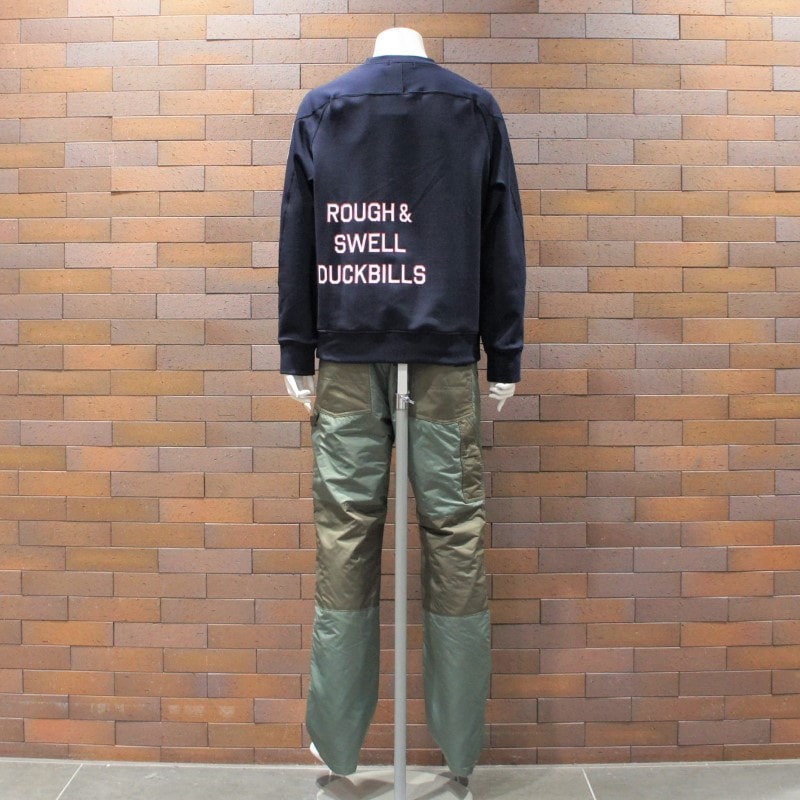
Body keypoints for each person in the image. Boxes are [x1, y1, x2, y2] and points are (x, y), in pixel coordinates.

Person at [278, 27, 526, 783]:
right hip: (446, 357)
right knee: (454, 536)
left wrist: (296, 350)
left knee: (346, 536)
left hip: (346, 358)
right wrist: (503, 355)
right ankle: (460, 743)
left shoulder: (324, 109)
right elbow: (503, 239)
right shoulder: (473, 108)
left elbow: (296, 233)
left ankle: (337, 740)